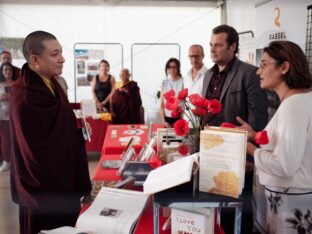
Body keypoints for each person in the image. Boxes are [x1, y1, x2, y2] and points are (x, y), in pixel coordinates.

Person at [9, 31, 91, 234]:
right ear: (35, 60)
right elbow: (32, 152)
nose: (62, 59)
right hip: (42, 191)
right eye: (55, 54)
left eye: (61, 52)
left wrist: (76, 130)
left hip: (63, 182)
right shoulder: (24, 96)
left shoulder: (51, 82)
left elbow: (58, 124)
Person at [237, 40, 312, 234]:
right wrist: (255, 135)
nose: (258, 71)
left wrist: (249, 148)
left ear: (284, 67)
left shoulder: (293, 105)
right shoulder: (302, 99)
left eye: (263, 65)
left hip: (290, 202)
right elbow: (293, 150)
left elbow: (285, 166)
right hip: (294, 198)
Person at [202, 24, 268, 234]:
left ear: (233, 47)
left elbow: (258, 120)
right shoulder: (207, 75)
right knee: (217, 211)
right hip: (210, 153)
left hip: (238, 156)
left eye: (218, 45)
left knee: (240, 213)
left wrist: (250, 158)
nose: (212, 49)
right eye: (211, 44)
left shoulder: (249, 74)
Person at [184, 44, 208, 127]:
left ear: (203, 56)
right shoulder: (186, 76)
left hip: (202, 123)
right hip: (187, 121)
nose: (194, 59)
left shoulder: (209, 75)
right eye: (191, 56)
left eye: (197, 56)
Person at [159, 58, 184, 127]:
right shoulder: (164, 83)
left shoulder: (183, 82)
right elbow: (161, 104)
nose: (172, 69)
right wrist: (163, 120)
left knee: (178, 138)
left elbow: (185, 103)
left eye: (174, 67)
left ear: (178, 68)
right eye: (169, 67)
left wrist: (182, 119)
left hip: (179, 118)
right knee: (166, 137)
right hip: (167, 119)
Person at [0, 62, 15, 172]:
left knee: (16, 139)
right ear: (1, 71)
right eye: (5, 70)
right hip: (3, 116)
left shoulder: (17, 84)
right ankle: (6, 162)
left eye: (9, 70)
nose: (7, 72)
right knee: (5, 140)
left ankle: (16, 162)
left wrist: (10, 96)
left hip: (16, 117)